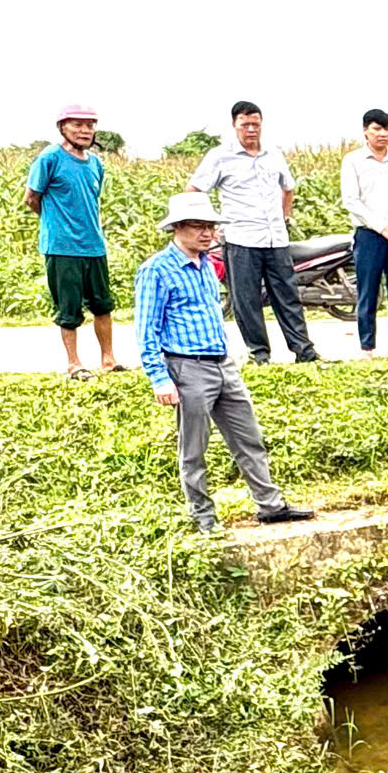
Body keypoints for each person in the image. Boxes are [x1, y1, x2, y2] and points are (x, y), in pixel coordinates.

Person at [136, 191, 316, 533]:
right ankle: (203, 517)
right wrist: (159, 377)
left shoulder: (207, 266)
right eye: (198, 226)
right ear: (177, 228)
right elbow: (147, 329)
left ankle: (270, 504)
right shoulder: (157, 270)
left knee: (249, 438)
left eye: (211, 226)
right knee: (193, 449)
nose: (207, 233)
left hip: (222, 364)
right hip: (187, 367)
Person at [191, 100, 316, 364]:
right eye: (245, 124)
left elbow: (288, 187)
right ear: (234, 125)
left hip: (276, 239)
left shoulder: (273, 153)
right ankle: (260, 354)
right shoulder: (220, 156)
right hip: (240, 239)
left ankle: (304, 351)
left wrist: (285, 215)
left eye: (255, 124)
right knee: (247, 301)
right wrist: (209, 226)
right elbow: (194, 190)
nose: (251, 129)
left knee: (288, 296)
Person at [23, 104, 118, 377]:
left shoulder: (96, 164)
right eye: (77, 124)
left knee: (102, 304)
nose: (84, 130)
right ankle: (74, 363)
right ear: (63, 127)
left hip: (94, 245)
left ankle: (108, 359)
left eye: (89, 125)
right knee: (68, 307)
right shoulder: (50, 158)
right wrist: (55, 222)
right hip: (62, 247)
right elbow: (31, 198)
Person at [341, 109, 388, 357]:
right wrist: (382, 227)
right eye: (377, 129)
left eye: (387, 129)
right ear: (365, 131)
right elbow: (351, 201)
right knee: (368, 292)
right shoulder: (353, 161)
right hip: (370, 235)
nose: (382, 134)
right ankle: (367, 347)